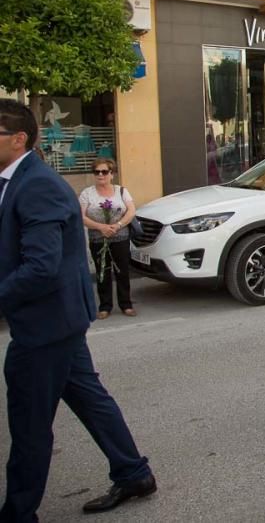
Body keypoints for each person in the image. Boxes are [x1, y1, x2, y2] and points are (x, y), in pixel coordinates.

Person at [0, 99, 156, 519]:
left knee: (30, 422)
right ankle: (133, 472)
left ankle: (17, 512)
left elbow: (41, 267)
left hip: (46, 324)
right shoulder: (14, 180)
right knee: (89, 399)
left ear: (17, 139)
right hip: (57, 318)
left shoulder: (37, 185)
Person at [79, 158, 137, 319]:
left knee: (122, 272)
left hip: (120, 238)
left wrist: (117, 225)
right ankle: (105, 306)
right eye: (96, 172)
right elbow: (81, 216)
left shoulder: (122, 191)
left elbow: (131, 211)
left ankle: (126, 304)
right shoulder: (87, 193)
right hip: (98, 239)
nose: (100, 175)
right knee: (102, 273)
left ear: (112, 174)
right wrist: (101, 227)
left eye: (104, 172)